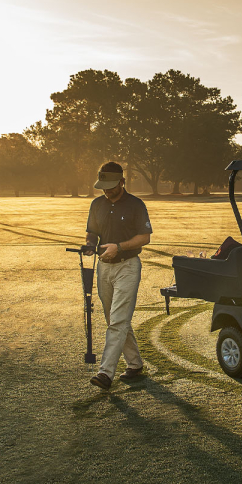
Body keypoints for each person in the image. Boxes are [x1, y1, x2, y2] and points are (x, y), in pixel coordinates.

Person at [85, 162, 152, 389]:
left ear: (122, 182)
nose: (106, 190)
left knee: (118, 320)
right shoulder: (96, 204)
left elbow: (144, 237)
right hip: (104, 267)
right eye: (103, 186)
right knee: (114, 319)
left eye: (111, 186)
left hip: (128, 266)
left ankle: (105, 373)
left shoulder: (135, 205)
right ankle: (135, 364)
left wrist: (119, 247)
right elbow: (92, 232)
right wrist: (89, 245)